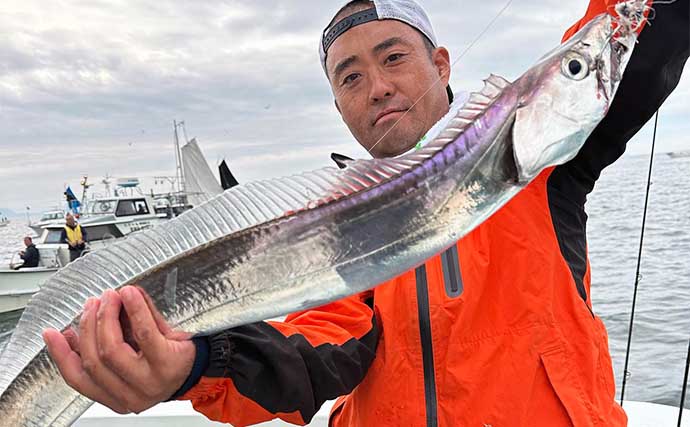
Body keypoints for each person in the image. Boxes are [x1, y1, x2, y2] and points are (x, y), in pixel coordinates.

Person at [43, 1, 688, 426]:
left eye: (394, 57)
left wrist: (621, 20)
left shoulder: (544, 168)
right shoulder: (332, 227)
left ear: (441, 65)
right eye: (349, 77)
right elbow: (314, 354)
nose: (377, 85)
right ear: (339, 108)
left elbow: (632, 48)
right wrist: (193, 364)